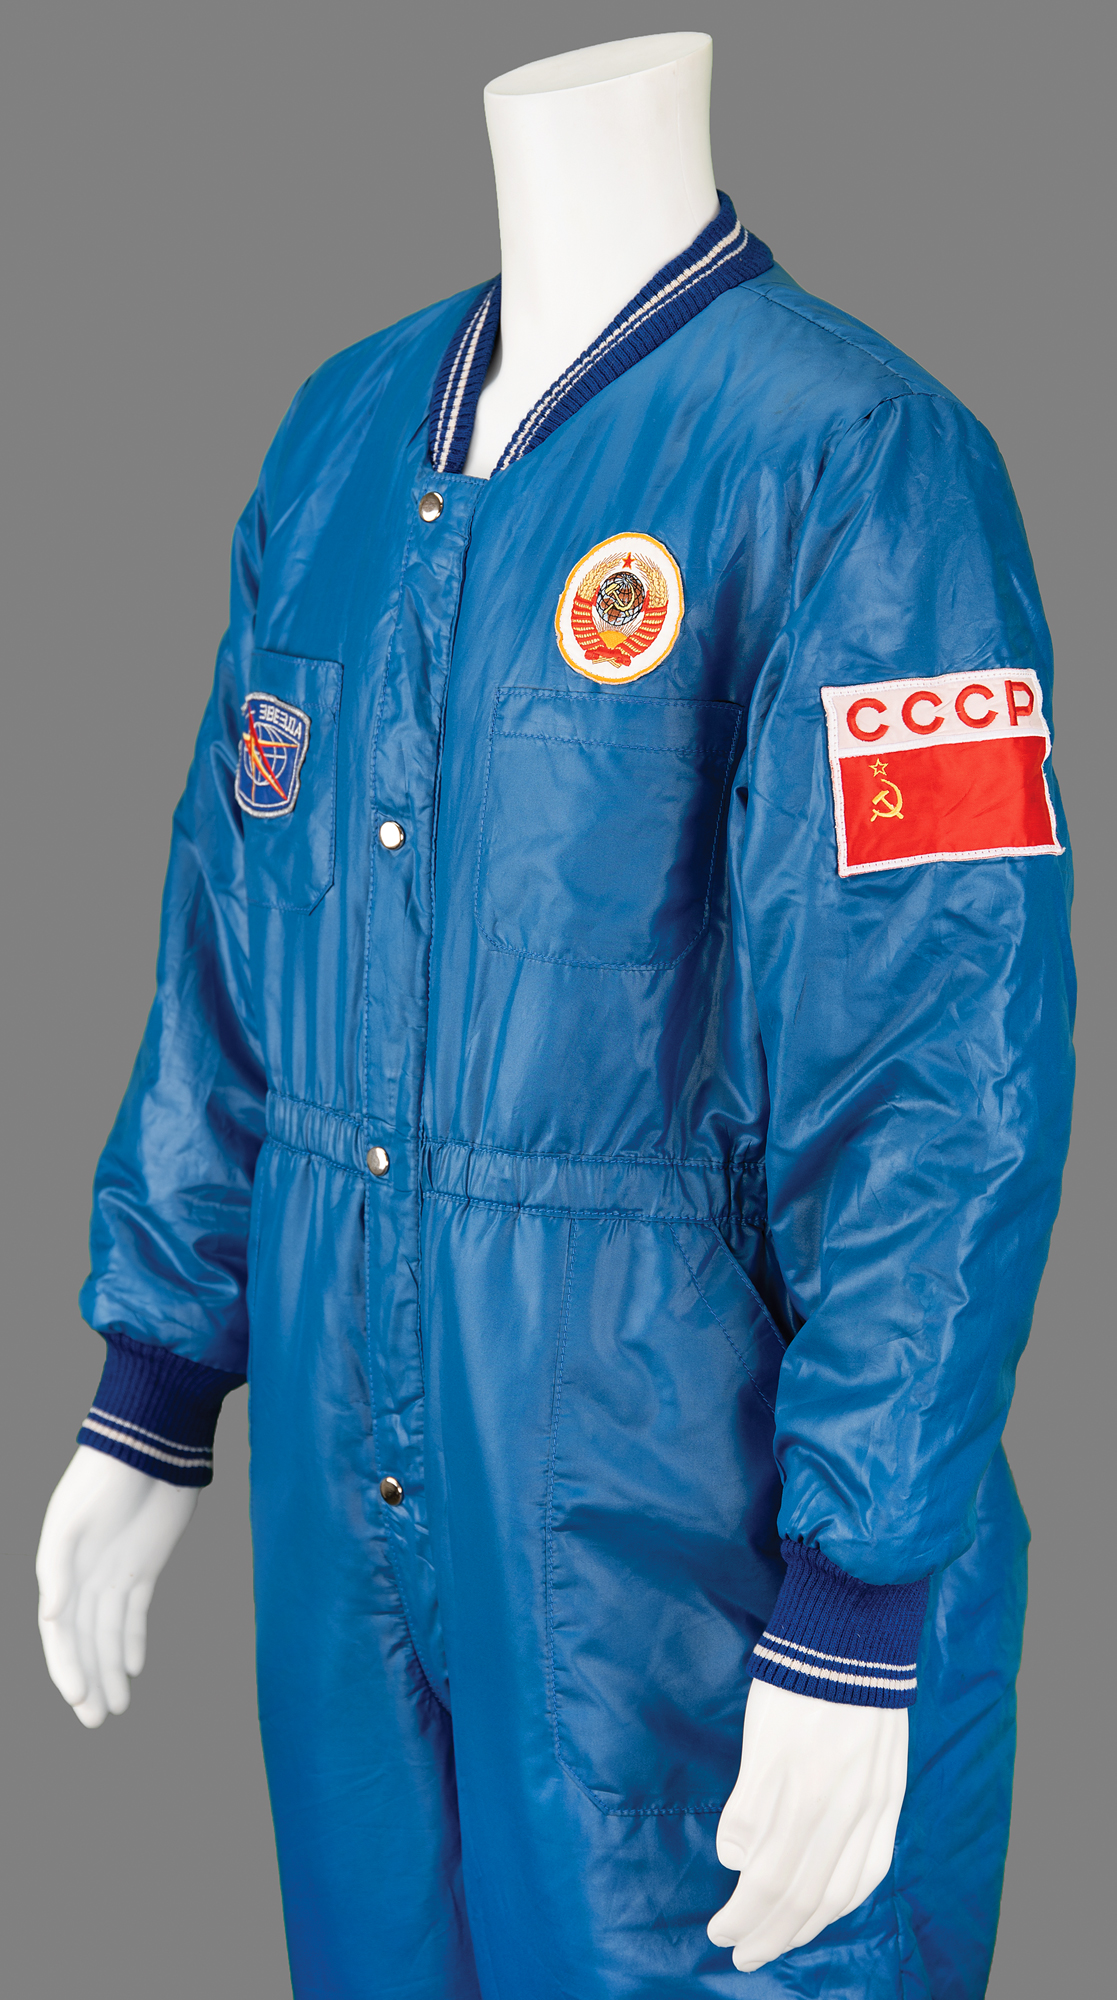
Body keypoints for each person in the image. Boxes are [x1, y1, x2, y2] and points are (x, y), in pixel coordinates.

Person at [36, 32, 1075, 1999]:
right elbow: (228, 931)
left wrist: (858, 1593)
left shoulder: (855, 459)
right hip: (340, 1501)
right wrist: (153, 1393)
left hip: (675, 1501)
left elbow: (941, 1057)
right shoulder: (339, 440)